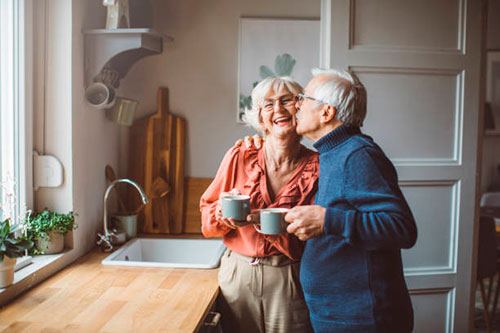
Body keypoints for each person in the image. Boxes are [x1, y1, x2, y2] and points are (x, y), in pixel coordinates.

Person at [284, 68, 418, 332]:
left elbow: (402, 228)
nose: (296, 105)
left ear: (326, 112)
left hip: (363, 319)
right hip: (340, 314)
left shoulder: (357, 155)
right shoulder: (332, 152)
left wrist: (327, 220)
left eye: (304, 98)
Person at [200, 76, 318, 333]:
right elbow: (206, 220)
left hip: (290, 275)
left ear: (300, 109)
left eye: (287, 101)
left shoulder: (319, 167)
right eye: (268, 104)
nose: (278, 109)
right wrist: (223, 216)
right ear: (261, 118)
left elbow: (323, 232)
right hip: (238, 274)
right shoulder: (239, 155)